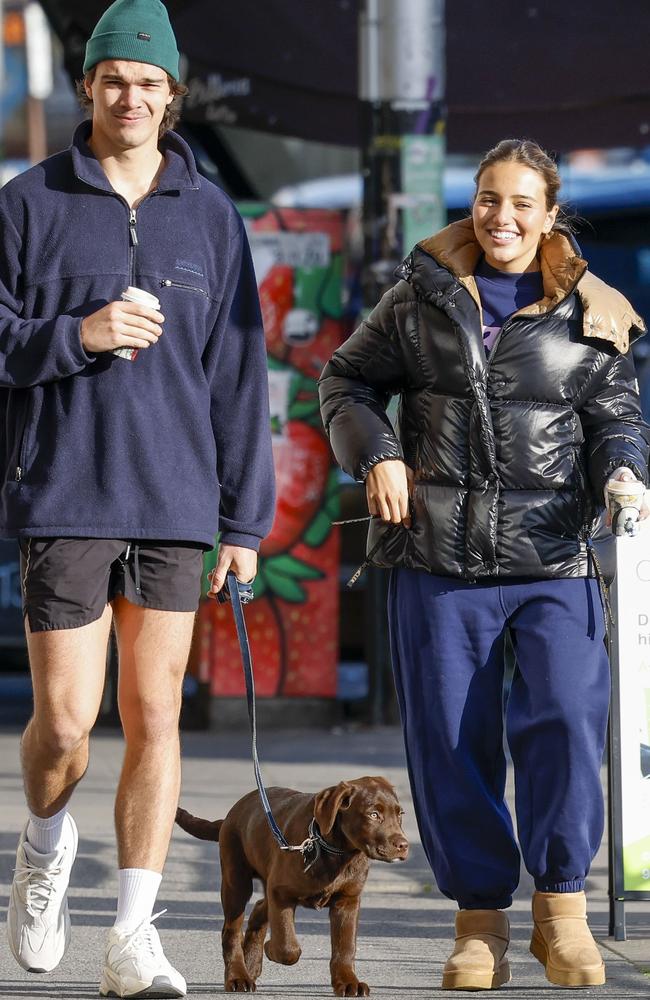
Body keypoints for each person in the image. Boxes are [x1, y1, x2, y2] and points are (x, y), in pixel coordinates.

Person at [319, 139, 650, 991]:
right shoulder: (417, 296)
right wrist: (379, 452)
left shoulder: (593, 309)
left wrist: (623, 469)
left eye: (521, 204)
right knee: (452, 744)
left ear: (551, 216)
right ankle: (479, 927)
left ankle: (562, 915)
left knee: (569, 724)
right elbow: (344, 383)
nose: (501, 218)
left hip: (556, 559)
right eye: (488, 199)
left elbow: (618, 415)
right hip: (437, 558)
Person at [1, 0, 274, 996]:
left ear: (171, 96)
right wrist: (78, 334)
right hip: (65, 491)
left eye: (148, 84)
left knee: (154, 712)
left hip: (175, 498)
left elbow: (241, 377)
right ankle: (41, 848)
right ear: (89, 88)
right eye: (114, 79)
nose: (130, 97)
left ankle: (130, 935)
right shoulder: (28, 202)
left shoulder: (209, 215)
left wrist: (246, 521)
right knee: (67, 723)